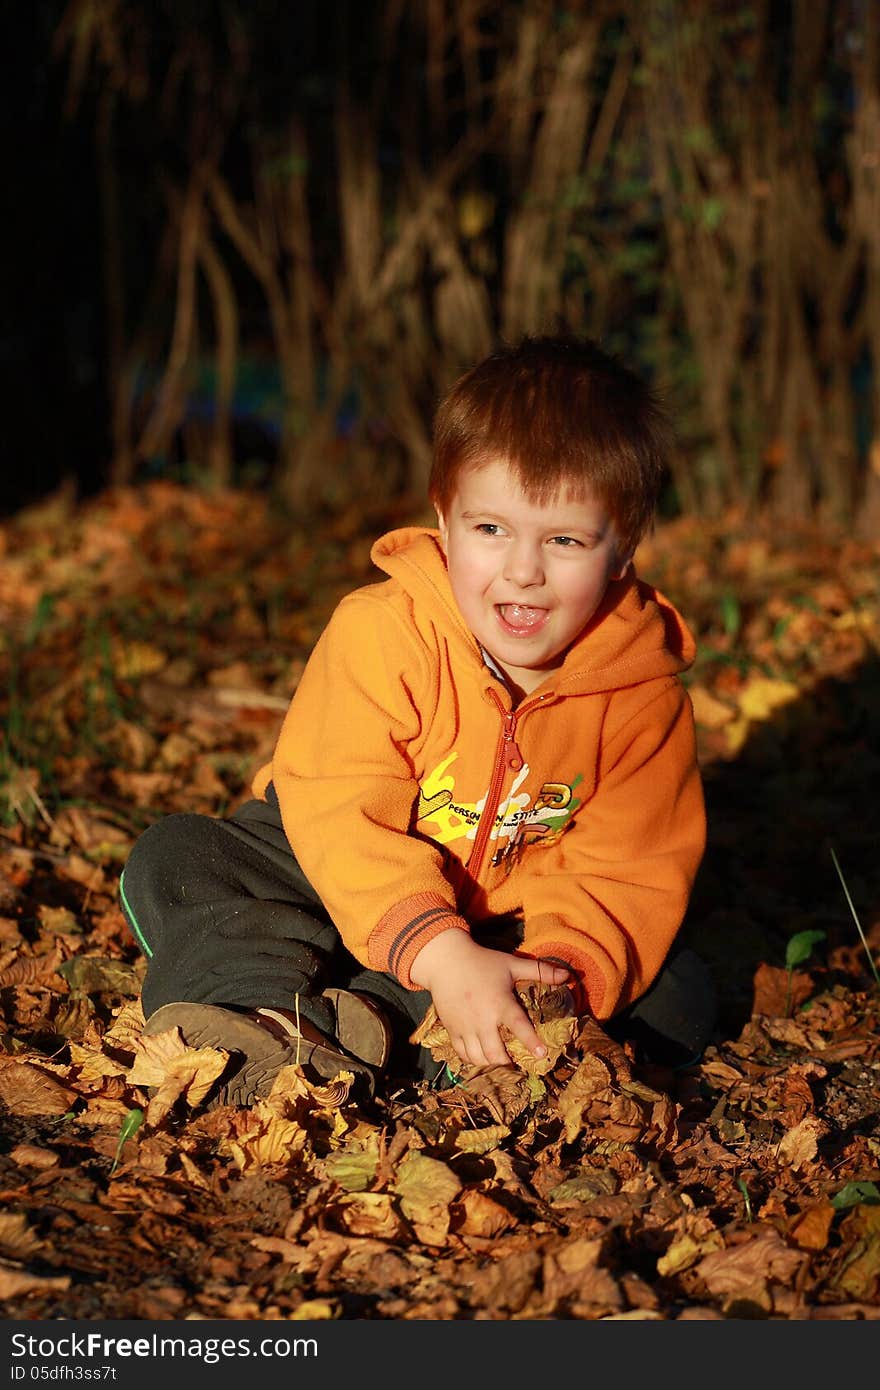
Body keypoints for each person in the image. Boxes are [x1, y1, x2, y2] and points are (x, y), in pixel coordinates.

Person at [119, 332, 716, 1109]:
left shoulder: (640, 693)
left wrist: (547, 969)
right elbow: (337, 802)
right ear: (444, 518)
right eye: (491, 528)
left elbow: (629, 866)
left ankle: (390, 1024)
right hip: (340, 868)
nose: (522, 570)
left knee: (680, 992)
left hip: (511, 911)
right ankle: (259, 1012)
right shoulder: (384, 630)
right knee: (177, 855)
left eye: (564, 540)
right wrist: (435, 947)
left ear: (622, 551)